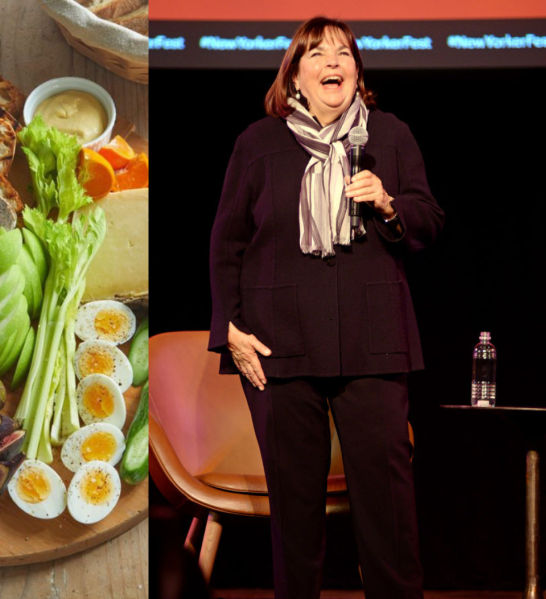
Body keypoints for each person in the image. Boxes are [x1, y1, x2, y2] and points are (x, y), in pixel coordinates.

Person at [207, 16, 444, 599]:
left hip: (373, 341)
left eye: (343, 53)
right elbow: (226, 243)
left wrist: (388, 203)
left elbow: (428, 220)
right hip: (280, 346)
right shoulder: (258, 143)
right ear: (295, 76)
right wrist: (229, 328)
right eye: (317, 53)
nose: (332, 61)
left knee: (389, 511)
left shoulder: (389, 135)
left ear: (357, 72)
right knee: (296, 515)